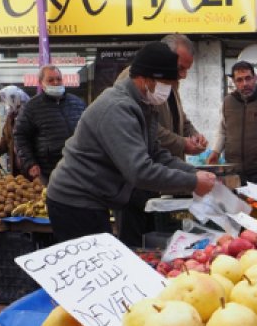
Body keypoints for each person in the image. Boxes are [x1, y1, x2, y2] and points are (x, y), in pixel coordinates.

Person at [46, 42, 216, 244]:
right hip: (76, 200)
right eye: (167, 84)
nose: (169, 91)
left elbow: (155, 153)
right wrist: (193, 183)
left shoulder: (144, 105)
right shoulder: (117, 108)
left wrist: (192, 173)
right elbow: (139, 171)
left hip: (96, 198)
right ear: (145, 79)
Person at [115, 34, 208, 248]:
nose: (183, 75)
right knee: (136, 244)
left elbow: (180, 117)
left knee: (157, 243)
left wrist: (192, 135)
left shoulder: (168, 83)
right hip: (135, 182)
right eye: (181, 68)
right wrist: (181, 144)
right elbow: (149, 129)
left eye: (187, 70)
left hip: (159, 175)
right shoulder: (132, 82)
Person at [12, 65, 86, 184]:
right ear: (41, 83)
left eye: (59, 79)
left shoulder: (78, 103)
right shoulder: (31, 107)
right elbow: (20, 137)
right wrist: (30, 164)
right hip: (48, 172)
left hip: (78, 169)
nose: (56, 82)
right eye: (50, 80)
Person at [0, 86, 30, 177]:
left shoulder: (29, 114)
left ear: (14, 98)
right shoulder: (11, 117)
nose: (5, 102)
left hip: (32, 166)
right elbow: (6, 141)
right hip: (17, 167)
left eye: (6, 98)